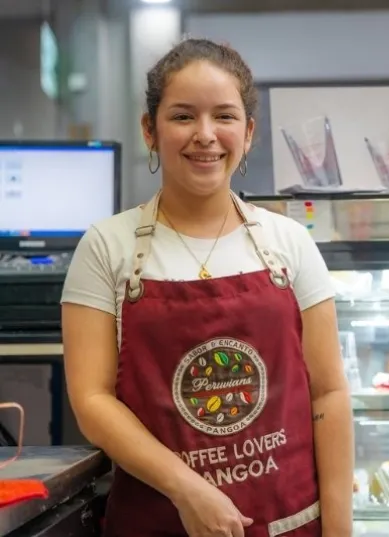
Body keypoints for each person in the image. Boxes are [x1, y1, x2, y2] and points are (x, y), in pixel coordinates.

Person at [60, 39, 354, 537]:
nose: (205, 135)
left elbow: (328, 393)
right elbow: (92, 399)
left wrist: (340, 530)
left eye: (224, 116)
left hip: (288, 522)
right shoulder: (107, 247)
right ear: (149, 130)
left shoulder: (288, 243)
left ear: (248, 131)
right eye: (181, 117)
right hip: (159, 521)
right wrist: (187, 488)